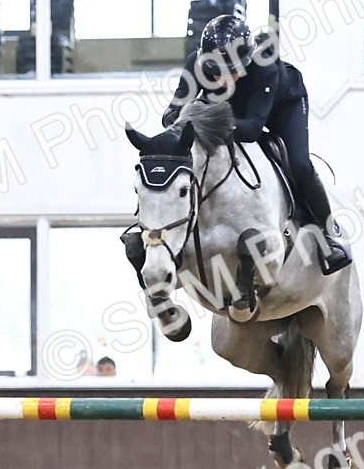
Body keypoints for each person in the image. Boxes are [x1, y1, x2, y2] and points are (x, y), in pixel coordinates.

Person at [123, 15, 352, 280]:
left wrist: (203, 119)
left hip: (282, 108)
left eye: (229, 71)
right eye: (213, 71)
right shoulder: (196, 65)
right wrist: (187, 119)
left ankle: (328, 234)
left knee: (299, 164)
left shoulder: (265, 65)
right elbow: (171, 115)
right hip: (229, 112)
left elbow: (253, 129)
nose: (220, 79)